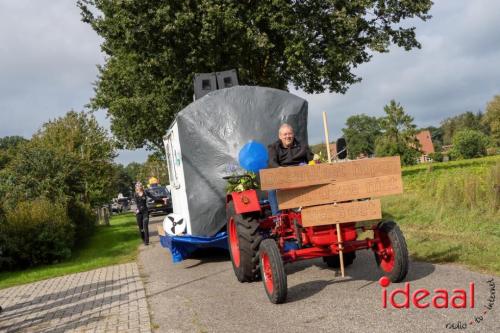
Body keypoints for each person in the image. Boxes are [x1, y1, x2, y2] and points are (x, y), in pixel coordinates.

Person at [267, 123, 313, 215]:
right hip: (282, 177)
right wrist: (279, 168)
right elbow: (271, 162)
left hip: (301, 176)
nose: (288, 136)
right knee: (271, 188)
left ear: (293, 134)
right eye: (285, 134)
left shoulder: (302, 146)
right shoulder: (273, 147)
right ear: (280, 136)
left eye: (290, 134)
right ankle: (277, 216)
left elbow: (311, 160)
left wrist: (314, 162)